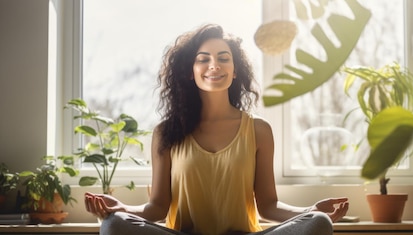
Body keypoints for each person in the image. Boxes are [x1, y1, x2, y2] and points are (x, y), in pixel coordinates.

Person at [84, 23, 349, 235]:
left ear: (235, 71)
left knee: (318, 222)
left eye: (224, 58)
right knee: (113, 225)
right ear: (190, 71)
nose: (214, 65)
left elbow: (268, 205)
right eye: (203, 59)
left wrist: (310, 210)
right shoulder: (166, 132)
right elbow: (157, 207)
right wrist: (122, 208)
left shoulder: (258, 130)